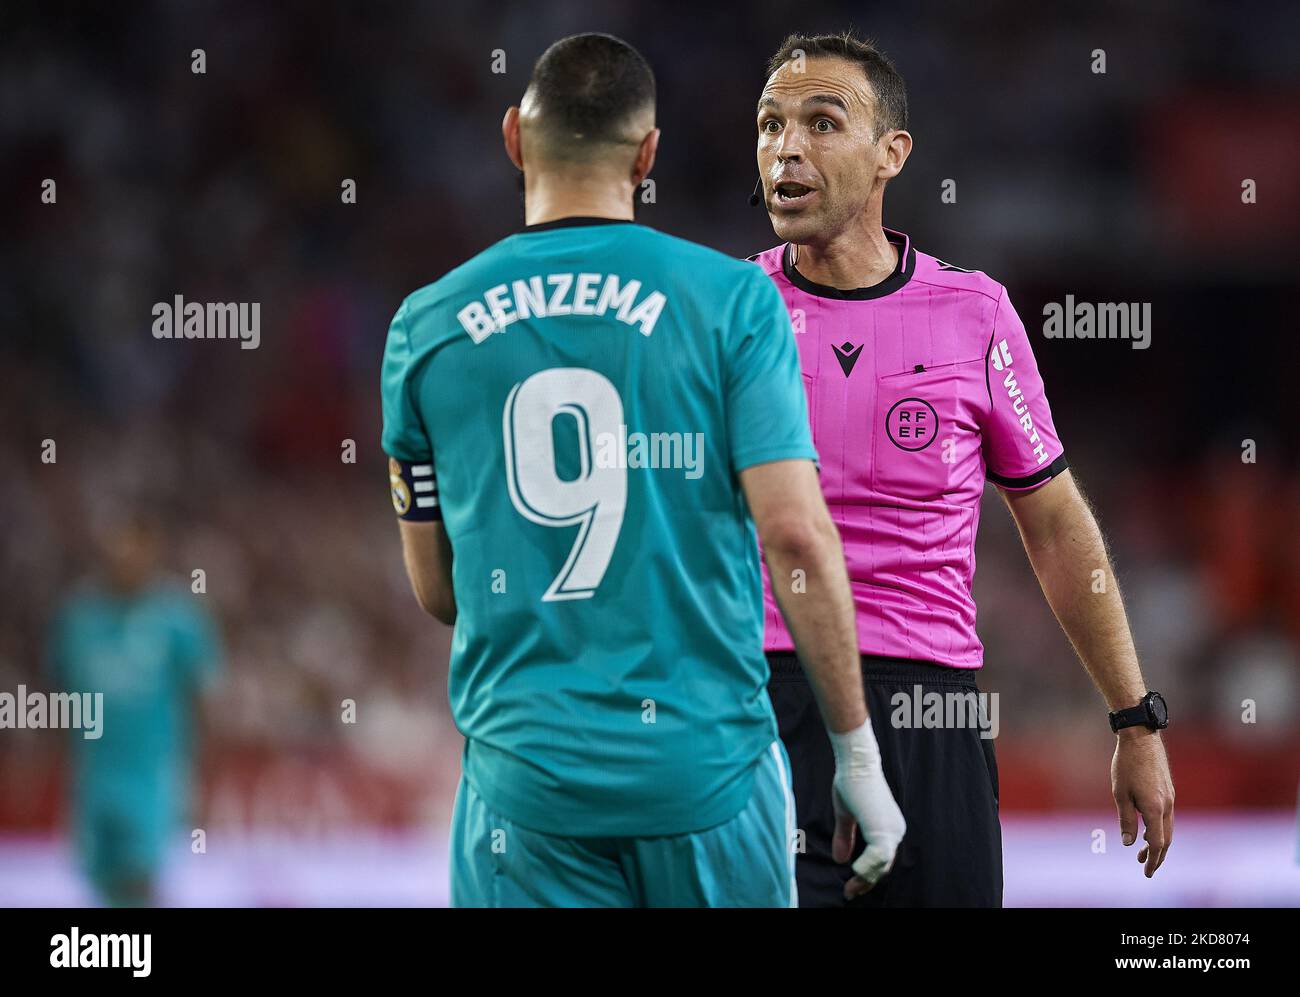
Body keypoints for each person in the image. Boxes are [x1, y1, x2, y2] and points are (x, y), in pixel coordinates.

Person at [380, 32, 904, 907]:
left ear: (514, 138)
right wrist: (855, 753)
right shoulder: (732, 302)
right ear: (648, 153)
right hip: (706, 780)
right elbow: (796, 539)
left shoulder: (424, 326)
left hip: (524, 791)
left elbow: (440, 589)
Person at [750, 31, 1175, 906]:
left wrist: (1134, 717)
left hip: (931, 715)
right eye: (769, 124)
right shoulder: (726, 311)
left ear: (890, 155)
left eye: (822, 122)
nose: (785, 148)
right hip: (763, 709)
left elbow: (1055, 525)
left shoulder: (973, 315)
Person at [47, 514, 222, 906]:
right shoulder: (78, 617)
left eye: (134, 546)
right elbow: (59, 691)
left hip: (153, 773)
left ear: (151, 550)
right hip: (93, 773)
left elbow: (201, 697)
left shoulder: (177, 618)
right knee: (100, 876)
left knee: (141, 873)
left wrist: (201, 769)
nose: (124, 556)